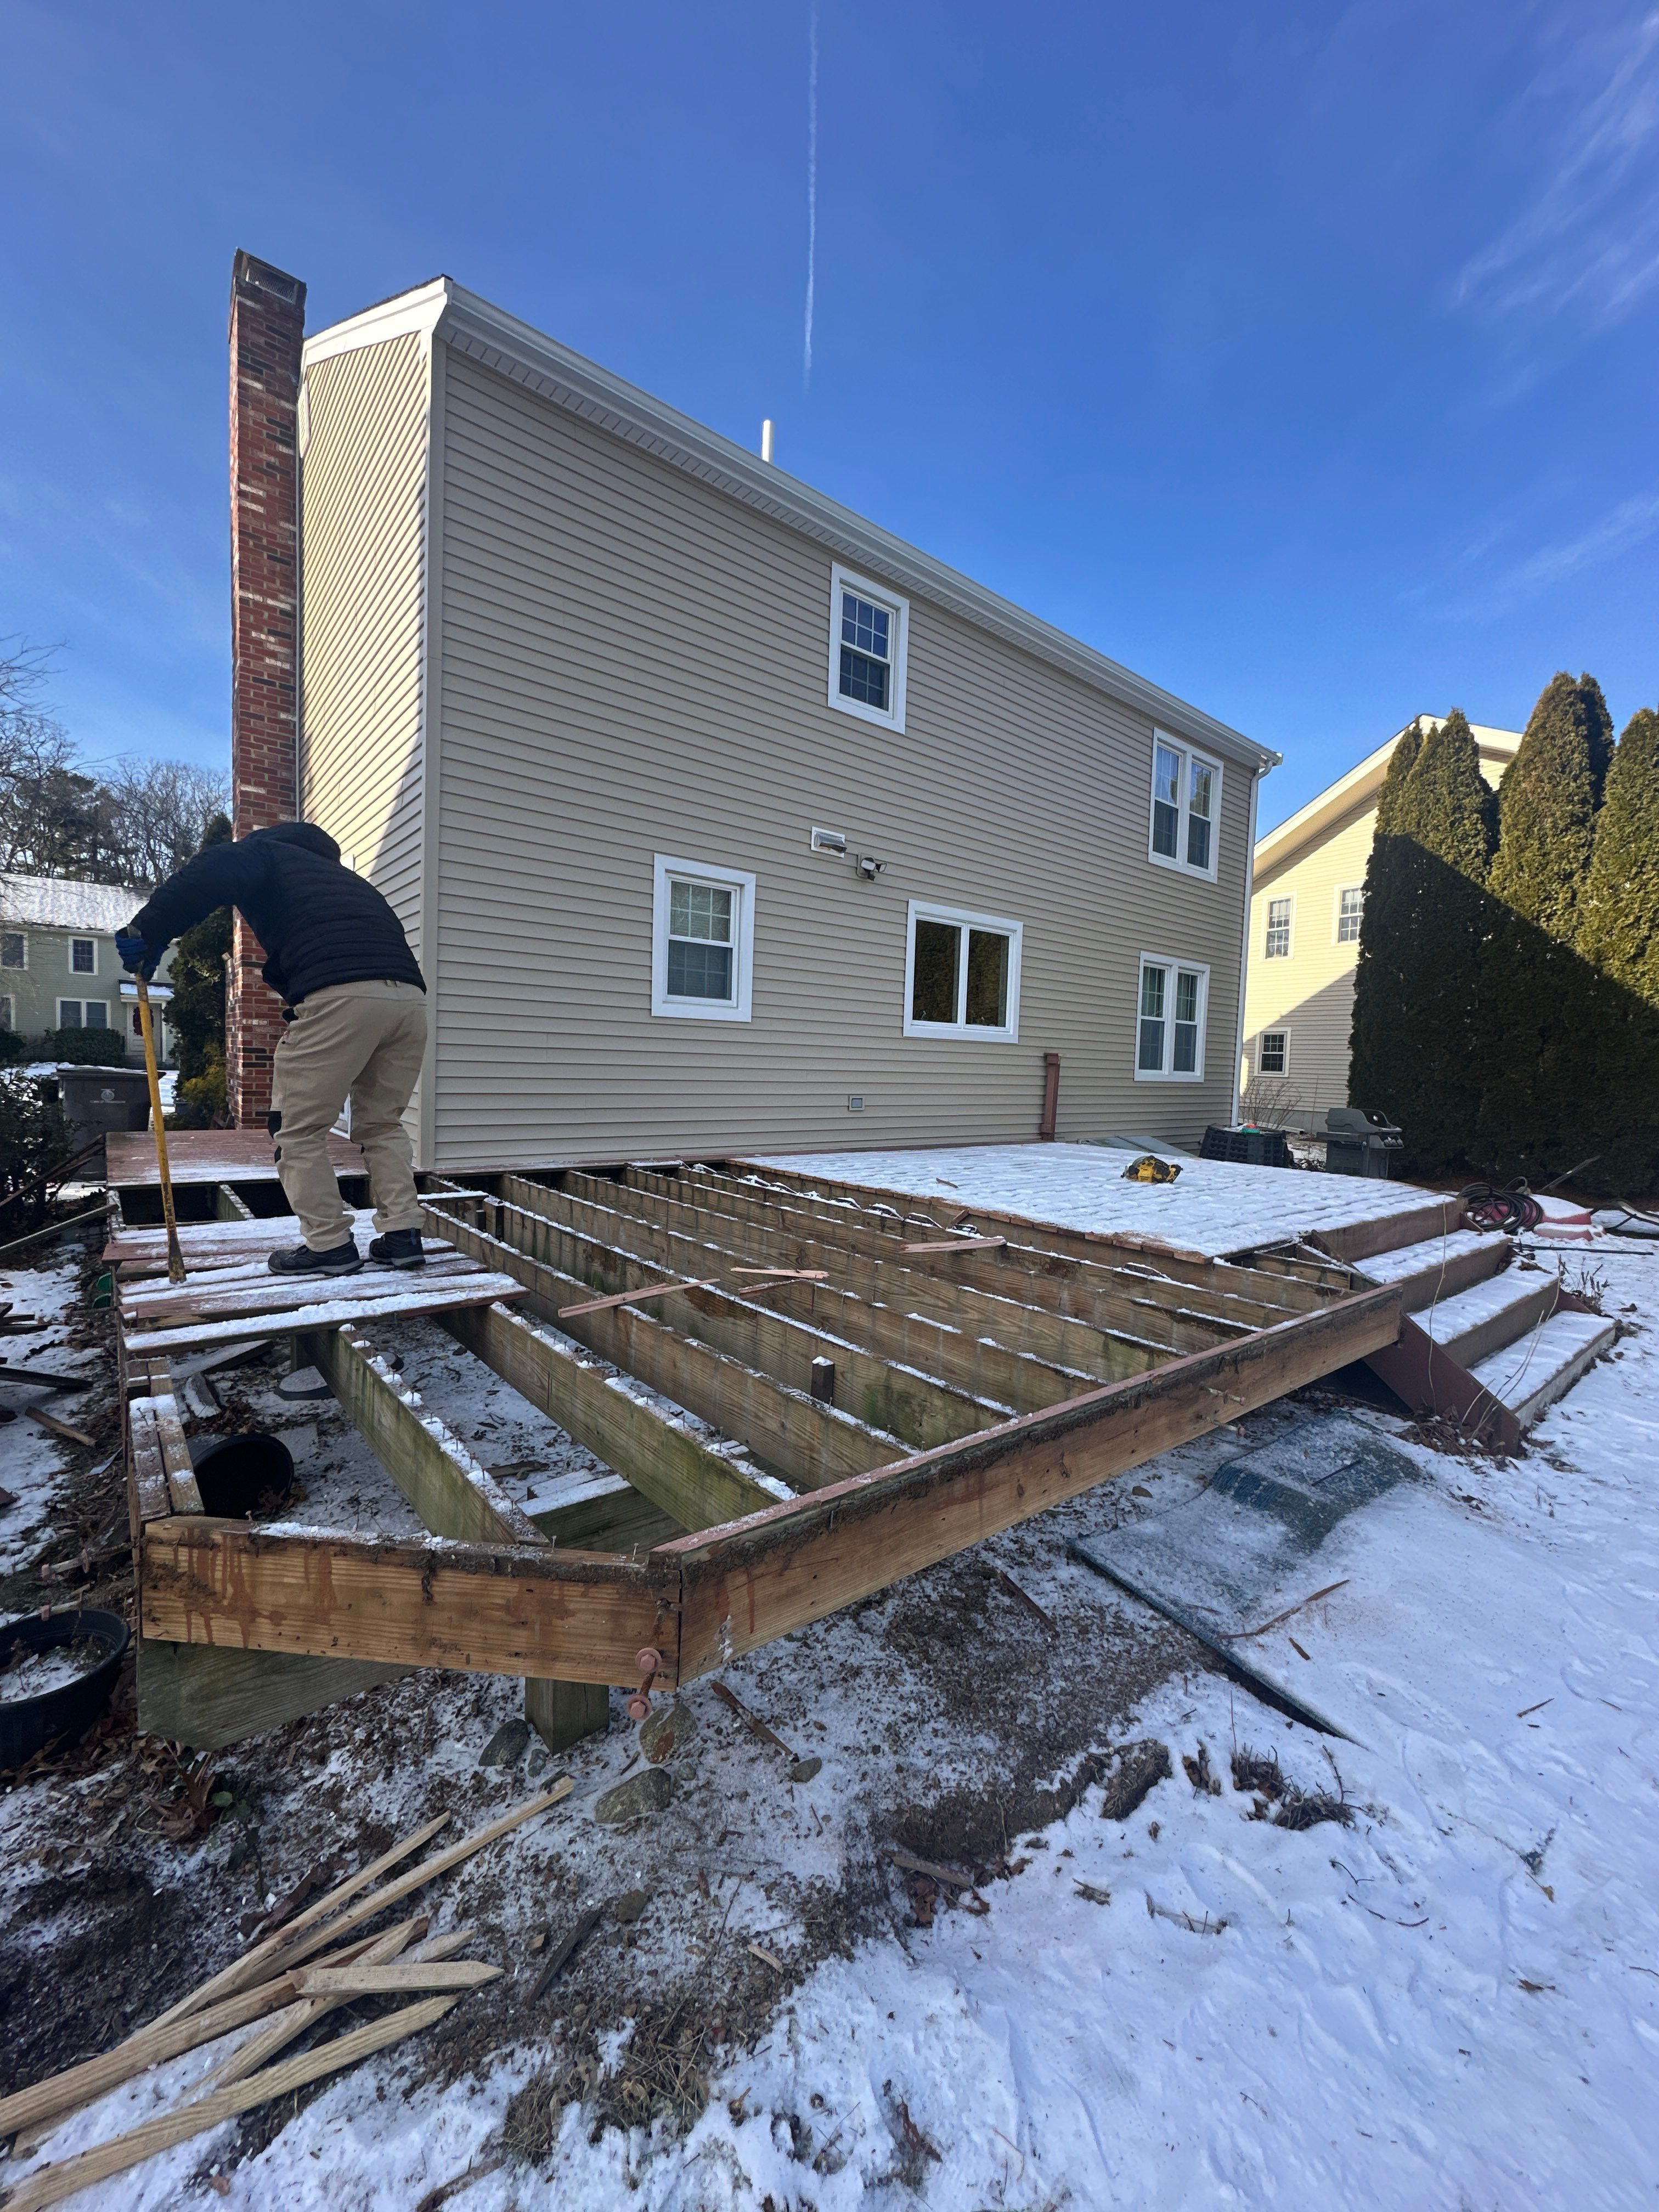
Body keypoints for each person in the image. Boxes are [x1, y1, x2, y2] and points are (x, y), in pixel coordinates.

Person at [119, 822, 430, 1278]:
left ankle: (329, 1246)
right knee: (382, 1122)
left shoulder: (266, 854)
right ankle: (403, 1236)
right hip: (410, 1001)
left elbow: (214, 867)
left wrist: (149, 931)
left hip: (339, 994)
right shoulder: (348, 880)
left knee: (297, 1129)